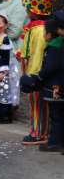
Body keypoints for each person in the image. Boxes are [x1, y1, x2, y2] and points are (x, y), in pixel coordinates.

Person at [20, 0, 58, 145]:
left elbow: (27, 54)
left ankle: (36, 133)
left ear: (32, 11)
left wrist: (27, 73)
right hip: (48, 72)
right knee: (47, 106)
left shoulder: (32, 29)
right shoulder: (50, 27)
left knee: (36, 105)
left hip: (35, 71)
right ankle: (46, 132)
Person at [21, 18, 64, 151]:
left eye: (45, 31)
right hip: (56, 84)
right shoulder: (57, 45)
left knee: (56, 116)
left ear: (51, 34)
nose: (43, 34)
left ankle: (54, 143)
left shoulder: (54, 47)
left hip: (54, 86)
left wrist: (39, 76)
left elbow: (51, 67)